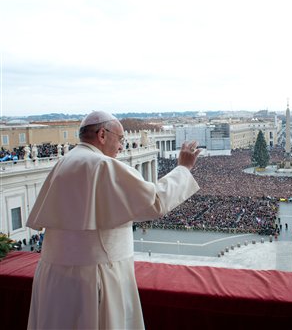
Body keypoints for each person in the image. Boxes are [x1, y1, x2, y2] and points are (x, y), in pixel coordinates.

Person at [26, 111, 201, 329]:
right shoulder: (102, 165)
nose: (121, 147)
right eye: (120, 140)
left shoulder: (64, 162)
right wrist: (183, 168)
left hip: (55, 278)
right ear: (101, 134)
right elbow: (154, 202)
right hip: (94, 278)